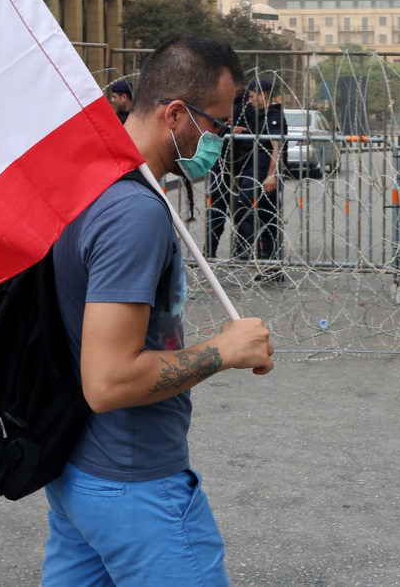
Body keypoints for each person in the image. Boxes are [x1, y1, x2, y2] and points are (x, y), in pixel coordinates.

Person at [44, 35, 274, 587]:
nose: (224, 137)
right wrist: (223, 350)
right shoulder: (132, 212)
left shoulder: (90, 180)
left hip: (79, 470)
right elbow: (108, 380)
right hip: (134, 483)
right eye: (218, 124)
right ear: (175, 114)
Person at [232, 78, 286, 281]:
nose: (250, 100)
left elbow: (277, 146)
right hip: (258, 173)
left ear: (263, 95)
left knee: (245, 206)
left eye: (253, 96)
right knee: (267, 219)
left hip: (263, 175)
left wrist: (271, 175)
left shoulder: (274, 115)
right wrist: (245, 132)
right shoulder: (263, 116)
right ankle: (270, 268)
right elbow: (262, 137)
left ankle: (244, 248)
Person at [204, 80, 248, 257]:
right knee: (216, 210)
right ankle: (209, 252)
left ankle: (240, 251)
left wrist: (243, 131)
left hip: (241, 164)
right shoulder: (221, 103)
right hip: (220, 163)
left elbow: (255, 130)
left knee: (241, 211)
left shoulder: (248, 104)